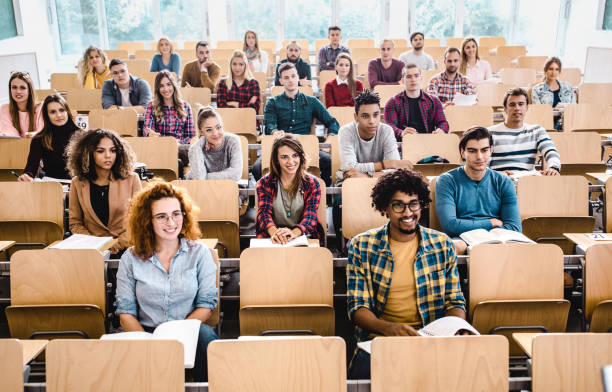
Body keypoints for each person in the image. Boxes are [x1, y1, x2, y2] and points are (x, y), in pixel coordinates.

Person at [346, 168, 466, 379]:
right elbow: (358, 307)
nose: (408, 213)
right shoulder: (362, 246)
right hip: (380, 338)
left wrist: (454, 328)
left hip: (431, 337)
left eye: (413, 204)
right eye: (398, 205)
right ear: (385, 208)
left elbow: (455, 301)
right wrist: (389, 329)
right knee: (362, 374)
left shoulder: (442, 244)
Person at [115, 181, 218, 381]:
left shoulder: (200, 254)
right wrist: (153, 343)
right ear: (147, 220)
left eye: (176, 214)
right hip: (145, 332)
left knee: (207, 338)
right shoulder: (130, 258)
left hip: (188, 327)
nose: (171, 223)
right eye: (161, 217)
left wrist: (178, 334)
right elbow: (126, 312)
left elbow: (206, 305)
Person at [435, 127, 521, 253]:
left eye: (484, 150)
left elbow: (514, 227)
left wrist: (466, 225)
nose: (479, 156)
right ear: (463, 152)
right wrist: (490, 223)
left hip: (499, 242)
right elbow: (450, 226)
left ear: (491, 150)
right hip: (463, 242)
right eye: (472, 151)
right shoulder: (446, 181)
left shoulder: (504, 181)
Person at [258, 62, 339, 186]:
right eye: (286, 78)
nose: (290, 80)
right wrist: (275, 131)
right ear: (280, 81)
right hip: (281, 148)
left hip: (305, 147)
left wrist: (329, 140)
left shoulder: (312, 101)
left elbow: (333, 122)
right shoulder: (273, 102)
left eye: (293, 76)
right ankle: (275, 194)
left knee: (328, 161)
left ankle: (323, 198)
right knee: (257, 167)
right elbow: (269, 126)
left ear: (297, 77)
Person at [66, 129, 141, 254]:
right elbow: (75, 223)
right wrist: (95, 244)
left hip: (126, 248)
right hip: (92, 250)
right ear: (88, 153)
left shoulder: (132, 179)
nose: (108, 155)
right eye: (101, 151)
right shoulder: (77, 183)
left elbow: (138, 221)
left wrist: (117, 244)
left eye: (113, 151)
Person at [256, 134, 324, 245]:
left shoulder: (312, 183)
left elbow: (311, 216)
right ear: (276, 159)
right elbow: (264, 213)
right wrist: (275, 233)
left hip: (303, 234)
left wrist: (293, 233)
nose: (291, 161)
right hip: (273, 235)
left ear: (300, 157)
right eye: (284, 157)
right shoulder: (265, 183)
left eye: (295, 155)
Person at [337, 90, 410, 182]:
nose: (372, 121)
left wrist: (367, 176)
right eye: (365, 116)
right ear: (356, 118)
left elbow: (396, 170)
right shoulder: (346, 131)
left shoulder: (386, 131)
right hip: (351, 181)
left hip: (381, 181)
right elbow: (350, 168)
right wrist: (388, 164)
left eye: (376, 115)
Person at [488, 88, 561, 175]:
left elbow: (551, 151)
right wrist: (497, 175)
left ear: (526, 108)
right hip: (499, 182)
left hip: (527, 182)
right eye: (512, 104)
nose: (517, 108)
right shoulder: (489, 133)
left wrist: (553, 167)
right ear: (505, 109)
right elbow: (483, 165)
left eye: (521, 104)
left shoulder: (537, 131)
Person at [19, 94, 81, 181]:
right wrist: (26, 176)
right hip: (51, 185)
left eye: (62, 110)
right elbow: (30, 169)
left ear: (67, 111)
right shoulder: (39, 138)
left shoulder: (82, 136)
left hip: (77, 185)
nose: (58, 115)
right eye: (53, 112)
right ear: (46, 115)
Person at [384, 63, 449, 140]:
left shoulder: (434, 101)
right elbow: (390, 126)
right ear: (402, 81)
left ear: (421, 78)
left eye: (416, 76)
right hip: (404, 145)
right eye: (409, 76)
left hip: (429, 145)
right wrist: (401, 132)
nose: (413, 79)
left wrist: (441, 130)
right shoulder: (392, 102)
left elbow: (443, 122)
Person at [143, 70, 193, 168]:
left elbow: (191, 136)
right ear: (158, 89)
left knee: (180, 158)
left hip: (180, 148)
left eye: (168, 84)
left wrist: (178, 143)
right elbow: (147, 129)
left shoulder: (185, 106)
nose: (166, 89)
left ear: (174, 85)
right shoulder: (151, 106)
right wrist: (150, 134)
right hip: (159, 147)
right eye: (161, 86)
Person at [187, 106, 242, 181]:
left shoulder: (233, 141)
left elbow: (236, 175)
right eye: (209, 130)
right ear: (201, 132)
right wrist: (201, 141)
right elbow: (199, 179)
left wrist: (205, 176)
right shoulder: (196, 148)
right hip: (204, 190)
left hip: (228, 188)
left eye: (218, 127)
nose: (215, 133)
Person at [531, 57, 576, 130]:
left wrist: (565, 109)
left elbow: (574, 109)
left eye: (557, 69)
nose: (554, 72)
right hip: (547, 125)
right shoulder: (537, 89)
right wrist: (554, 109)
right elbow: (539, 112)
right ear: (545, 70)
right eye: (551, 69)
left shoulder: (568, 87)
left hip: (567, 123)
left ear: (559, 71)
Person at [0, 71, 43, 137]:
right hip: (14, 146)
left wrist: (35, 135)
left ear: (29, 90)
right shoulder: (4, 109)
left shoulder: (41, 107)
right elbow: (9, 135)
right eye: (14, 87)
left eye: (22, 88)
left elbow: (42, 132)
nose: (18, 91)